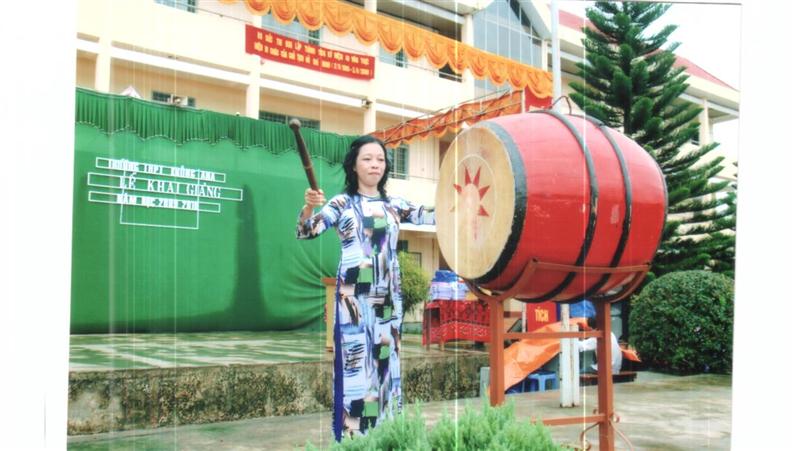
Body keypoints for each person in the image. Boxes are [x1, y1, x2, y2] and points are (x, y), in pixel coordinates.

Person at [296, 135, 435, 440]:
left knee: (386, 367)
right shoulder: (342, 203)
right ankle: (355, 440)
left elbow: (433, 215)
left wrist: (463, 198)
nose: (375, 165)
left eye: (380, 160)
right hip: (353, 302)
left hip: (388, 301)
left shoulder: (395, 205)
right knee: (356, 369)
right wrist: (308, 207)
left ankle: (387, 435)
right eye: (367, 159)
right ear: (354, 166)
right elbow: (307, 231)